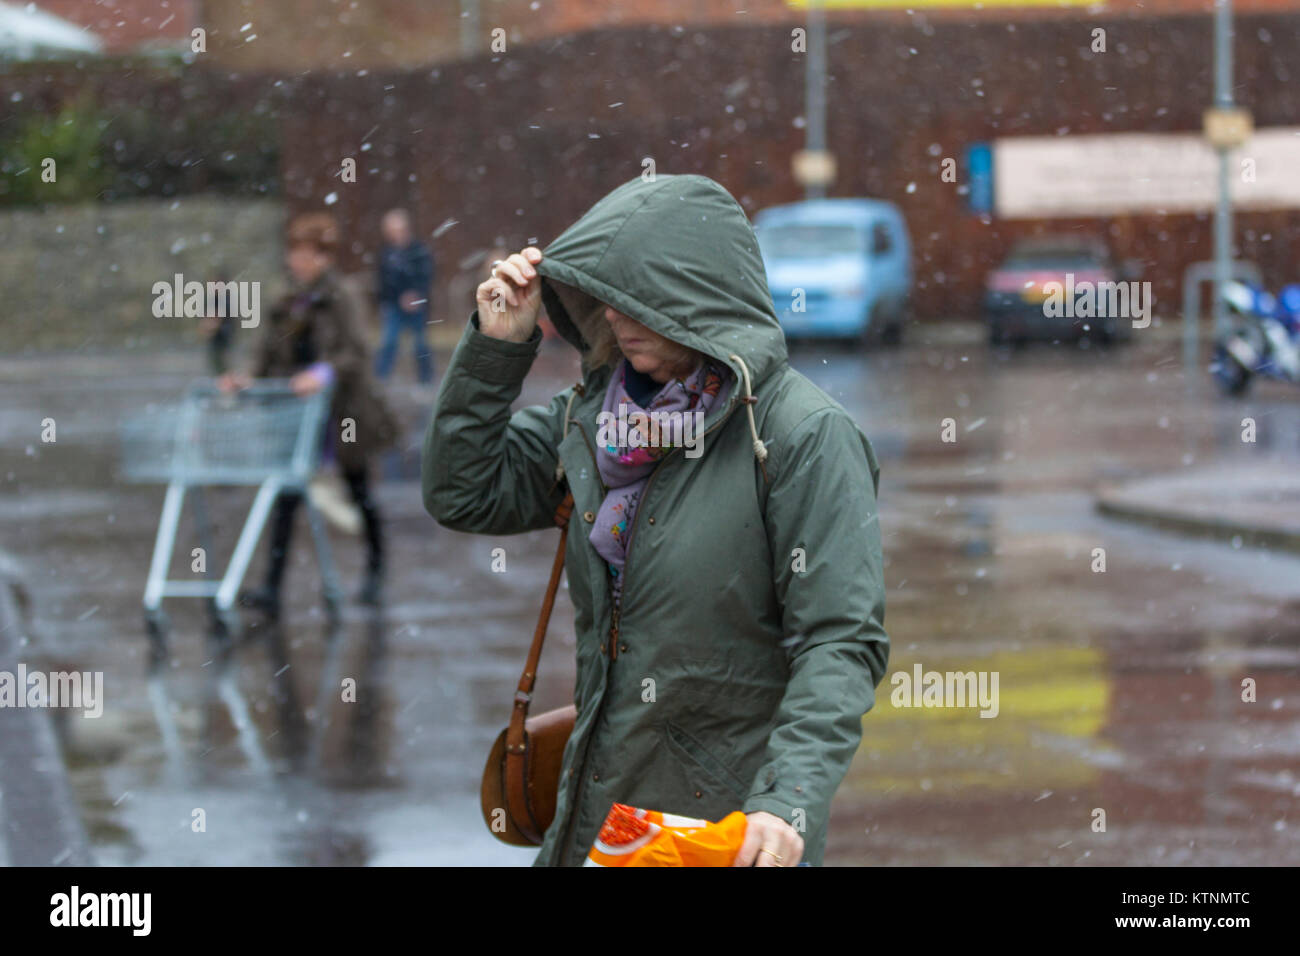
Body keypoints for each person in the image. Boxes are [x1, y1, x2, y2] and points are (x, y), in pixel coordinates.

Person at [422, 174, 889, 867]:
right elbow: (465, 492)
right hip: (592, 823)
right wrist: (498, 347)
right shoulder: (593, 415)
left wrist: (786, 800)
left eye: (639, 300)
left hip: (720, 835)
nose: (614, 318)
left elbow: (840, 641)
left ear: (700, 300)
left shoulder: (801, 435)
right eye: (605, 299)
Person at [222, 212, 399, 613]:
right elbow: (265, 352)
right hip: (298, 416)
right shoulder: (285, 300)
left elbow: (356, 351)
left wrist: (322, 373)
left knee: (358, 489)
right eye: (294, 253)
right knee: (285, 498)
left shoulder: (342, 296)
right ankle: (271, 586)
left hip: (344, 412)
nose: (296, 262)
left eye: (305, 254)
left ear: (323, 257)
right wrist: (245, 378)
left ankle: (375, 569)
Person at [374, 208, 435, 385]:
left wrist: (415, 294)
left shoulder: (419, 250)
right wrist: (391, 299)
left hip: (417, 304)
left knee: (421, 344)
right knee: (389, 342)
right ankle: (381, 380)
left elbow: (426, 275)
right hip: (393, 305)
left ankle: (426, 380)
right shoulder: (386, 253)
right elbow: (383, 280)